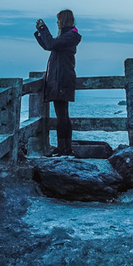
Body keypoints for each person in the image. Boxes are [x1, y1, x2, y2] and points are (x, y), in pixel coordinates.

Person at [34, 9, 81, 157]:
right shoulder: (68, 36)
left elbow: (50, 44)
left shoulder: (69, 36)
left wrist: (43, 29)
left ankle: (63, 148)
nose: (57, 23)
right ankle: (65, 147)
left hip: (62, 79)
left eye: (59, 20)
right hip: (62, 79)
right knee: (63, 114)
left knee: (62, 115)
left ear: (63, 20)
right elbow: (49, 45)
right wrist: (40, 33)